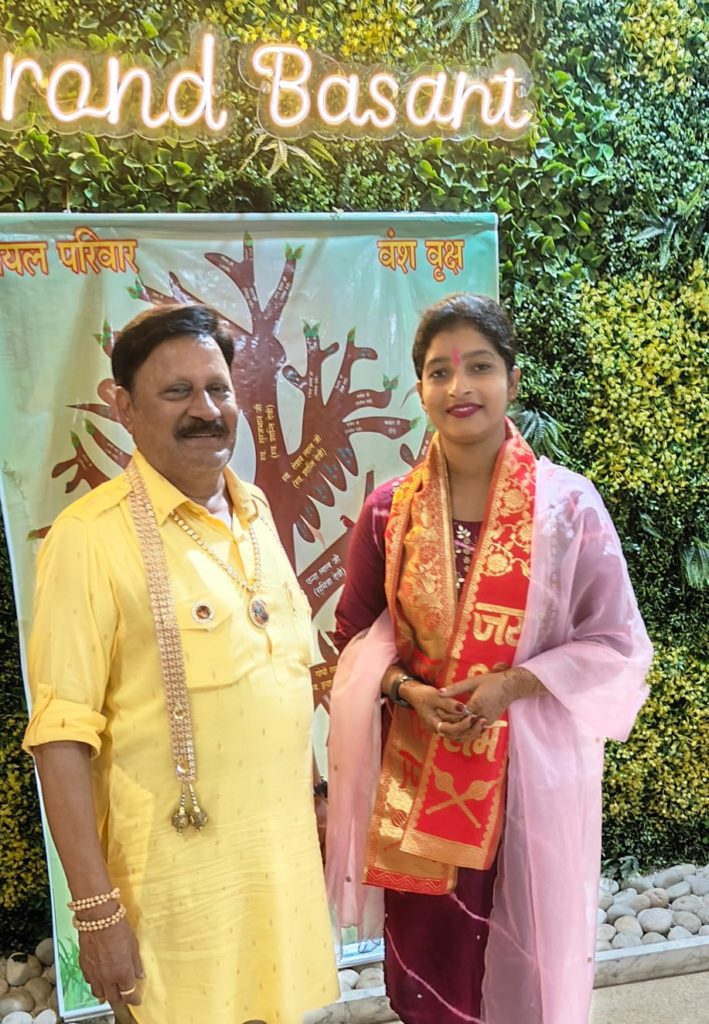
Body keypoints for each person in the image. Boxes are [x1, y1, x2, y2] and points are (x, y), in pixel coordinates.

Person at [326, 293, 652, 1024]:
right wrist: (408, 692)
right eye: (439, 372)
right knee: (430, 978)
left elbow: (615, 642)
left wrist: (511, 684)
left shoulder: (568, 508)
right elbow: (351, 643)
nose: (459, 387)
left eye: (479, 367)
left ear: (511, 379)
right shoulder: (387, 513)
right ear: (420, 389)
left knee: (526, 963)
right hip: (419, 784)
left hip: (528, 784)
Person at [23, 304, 338, 1024]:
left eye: (218, 389)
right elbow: (60, 738)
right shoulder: (88, 539)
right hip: (176, 900)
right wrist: (96, 913)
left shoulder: (254, 511)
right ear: (125, 409)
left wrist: (318, 797)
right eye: (177, 392)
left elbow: (282, 670)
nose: (206, 410)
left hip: (278, 874)